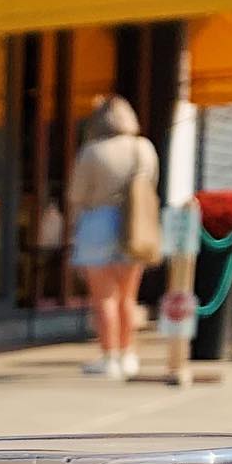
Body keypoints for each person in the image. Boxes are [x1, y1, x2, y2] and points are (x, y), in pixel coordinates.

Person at [68, 95, 160, 380]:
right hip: (135, 223)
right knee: (128, 297)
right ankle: (128, 353)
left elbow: (77, 194)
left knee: (104, 297)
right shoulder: (143, 148)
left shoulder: (92, 152)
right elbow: (151, 183)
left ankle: (109, 357)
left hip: (97, 223)